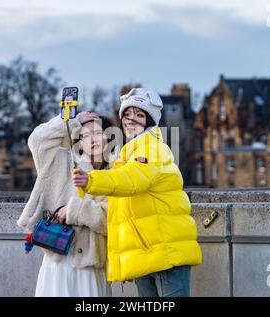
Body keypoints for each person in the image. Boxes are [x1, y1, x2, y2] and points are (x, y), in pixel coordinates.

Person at [72, 88, 202, 297]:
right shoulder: (128, 152)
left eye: (139, 115)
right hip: (146, 254)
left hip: (164, 253)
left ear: (150, 121)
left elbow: (131, 179)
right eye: (127, 114)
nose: (131, 120)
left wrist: (91, 180)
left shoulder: (152, 149)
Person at [17, 111, 116, 297]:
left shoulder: (117, 173)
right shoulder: (61, 161)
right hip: (59, 260)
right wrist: (73, 120)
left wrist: (74, 210)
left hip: (91, 266)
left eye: (97, 133)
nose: (92, 140)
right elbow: (37, 141)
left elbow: (114, 218)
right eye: (85, 135)